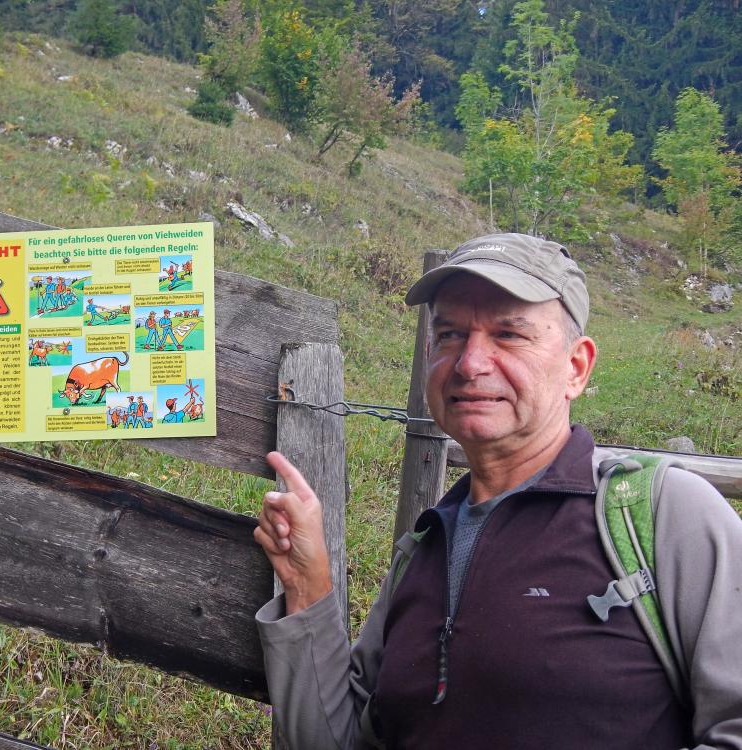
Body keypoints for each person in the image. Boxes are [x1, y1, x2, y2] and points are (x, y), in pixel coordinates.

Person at [253, 233, 742, 750]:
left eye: (509, 335)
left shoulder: (665, 517)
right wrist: (307, 584)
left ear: (576, 367)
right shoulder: (420, 552)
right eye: (449, 335)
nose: (469, 363)